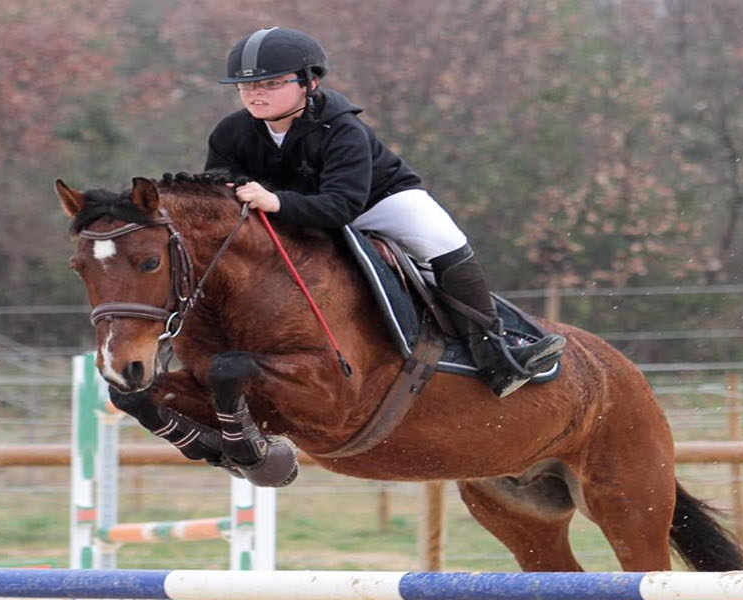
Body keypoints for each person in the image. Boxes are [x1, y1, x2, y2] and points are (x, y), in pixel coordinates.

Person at [204, 27, 564, 398]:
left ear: (309, 83)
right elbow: (219, 186)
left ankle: (494, 349)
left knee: (444, 242)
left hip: (378, 202)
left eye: (272, 83)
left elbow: (342, 206)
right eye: (246, 86)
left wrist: (277, 201)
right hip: (291, 208)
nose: (255, 94)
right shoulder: (231, 132)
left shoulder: (343, 129)